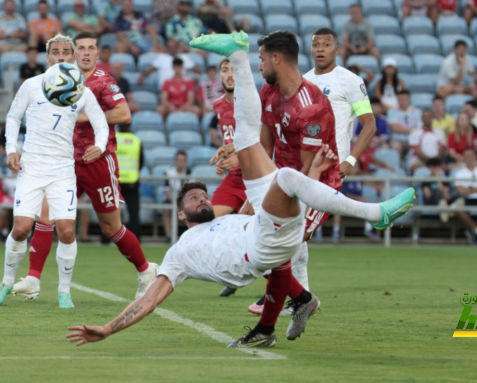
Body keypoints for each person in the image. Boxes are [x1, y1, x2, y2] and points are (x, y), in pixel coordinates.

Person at [66, 30, 415, 349]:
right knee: (284, 183)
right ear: (181, 214)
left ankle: (238, 55)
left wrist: (273, 186)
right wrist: (108, 329)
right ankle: (372, 217)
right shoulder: (177, 255)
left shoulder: (227, 219)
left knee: (253, 145)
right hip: (262, 246)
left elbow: (258, 175)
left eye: (203, 194)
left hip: (268, 228)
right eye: (193, 198)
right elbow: (148, 300)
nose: (202, 197)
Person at [11, 32, 159, 303]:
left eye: (92, 48)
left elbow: (124, 114)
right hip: (65, 162)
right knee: (46, 217)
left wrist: (81, 117)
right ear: (73, 52)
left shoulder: (104, 81)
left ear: (98, 53)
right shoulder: (61, 80)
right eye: (81, 48)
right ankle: (33, 279)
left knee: (110, 228)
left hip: (97, 162)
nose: (87, 53)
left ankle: (146, 270)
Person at [0, 34, 109, 308]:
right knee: (20, 229)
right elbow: (13, 117)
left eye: (67, 52)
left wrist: (100, 146)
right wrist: (11, 150)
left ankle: (64, 292)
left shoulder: (81, 91)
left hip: (62, 170)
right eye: (56, 52)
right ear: (48, 57)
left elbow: (101, 124)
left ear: (73, 56)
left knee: (66, 230)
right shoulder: (32, 85)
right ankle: (7, 281)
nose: (62, 57)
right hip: (31, 168)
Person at [252, 30, 342, 314]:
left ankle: (294, 299)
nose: (259, 65)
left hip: (318, 184)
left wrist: (284, 200)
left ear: (276, 58)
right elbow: (265, 149)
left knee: (285, 238)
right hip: (283, 178)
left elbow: (309, 171)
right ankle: (297, 298)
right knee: (261, 238)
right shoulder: (268, 90)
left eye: (262, 58)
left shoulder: (311, 106)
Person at [304, 28, 377, 179]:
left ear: (337, 49)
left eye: (326, 44)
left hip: (333, 165)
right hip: (304, 164)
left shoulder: (351, 81)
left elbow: (369, 124)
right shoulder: (303, 81)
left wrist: (350, 161)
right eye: (316, 45)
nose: (320, 49)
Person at [209, 59, 248, 220]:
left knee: (254, 233)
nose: (230, 75)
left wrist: (238, 158)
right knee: (206, 222)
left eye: (234, 70)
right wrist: (224, 158)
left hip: (253, 178)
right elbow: (229, 138)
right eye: (225, 70)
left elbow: (261, 139)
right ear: (220, 76)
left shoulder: (249, 103)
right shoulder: (218, 104)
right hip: (233, 179)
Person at [454, 147, 477, 244]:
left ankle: (476, 229)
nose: (469, 158)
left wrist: (470, 189)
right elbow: (460, 190)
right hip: (468, 200)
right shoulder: (459, 173)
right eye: (467, 156)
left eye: (471, 156)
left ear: (475, 157)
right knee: (458, 209)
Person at [115, 125, 142, 240]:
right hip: (131, 182)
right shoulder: (135, 140)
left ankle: (106, 239)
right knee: (133, 213)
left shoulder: (112, 138)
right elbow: (141, 161)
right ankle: (135, 238)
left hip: (115, 182)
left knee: (110, 212)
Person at [162, 151, 188, 238]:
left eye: (183, 160)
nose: (181, 163)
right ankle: (169, 235)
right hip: (171, 198)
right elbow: (166, 191)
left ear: (186, 162)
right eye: (179, 160)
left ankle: (191, 235)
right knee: (166, 208)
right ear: (175, 161)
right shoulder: (168, 173)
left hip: (185, 200)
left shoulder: (189, 173)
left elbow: (192, 191)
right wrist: (174, 200)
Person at [387, 90, 422, 154]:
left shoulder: (417, 112)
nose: (403, 102)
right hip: (397, 139)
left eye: (405, 99)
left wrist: (402, 129)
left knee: (420, 147)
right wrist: (412, 130)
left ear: (409, 100)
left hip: (413, 139)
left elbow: (420, 129)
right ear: (398, 100)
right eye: (401, 99)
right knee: (396, 147)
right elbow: (395, 129)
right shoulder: (392, 111)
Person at [421, 157, 453, 223]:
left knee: (456, 197)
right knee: (437, 191)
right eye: (432, 167)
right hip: (431, 201)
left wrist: (439, 181)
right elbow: (427, 195)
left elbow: (447, 194)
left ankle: (444, 207)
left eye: (436, 167)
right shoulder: (426, 180)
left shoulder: (444, 180)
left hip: (444, 199)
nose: (434, 169)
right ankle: (448, 210)